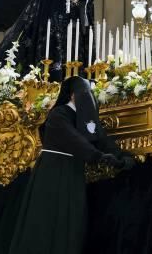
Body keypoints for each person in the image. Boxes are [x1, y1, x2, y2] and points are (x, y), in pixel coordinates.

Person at [9, 76, 134, 254]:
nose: (87, 97)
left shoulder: (83, 117)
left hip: (71, 172)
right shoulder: (59, 114)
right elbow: (75, 141)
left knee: (71, 221)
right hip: (52, 173)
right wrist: (99, 156)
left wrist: (122, 157)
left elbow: (100, 137)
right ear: (72, 95)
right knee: (47, 221)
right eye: (84, 93)